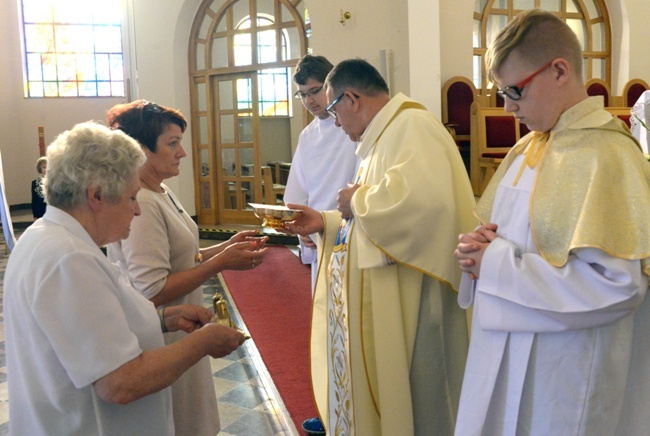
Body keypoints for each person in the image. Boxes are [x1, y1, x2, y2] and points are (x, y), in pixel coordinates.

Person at [453, 9, 650, 435]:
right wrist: (476, 251)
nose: (506, 106)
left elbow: (618, 286)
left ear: (560, 70)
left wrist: (496, 265)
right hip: (502, 349)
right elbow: (504, 238)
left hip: (562, 370)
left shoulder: (609, 155)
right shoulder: (526, 150)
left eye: (514, 90)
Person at [4, 122, 246, 435]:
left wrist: (162, 318)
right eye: (132, 198)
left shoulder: (46, 237)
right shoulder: (69, 259)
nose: (137, 211)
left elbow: (86, 333)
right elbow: (120, 383)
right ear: (97, 196)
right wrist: (203, 342)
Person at [284, 59, 476, 435]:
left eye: (335, 109)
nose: (335, 122)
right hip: (393, 294)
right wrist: (324, 221)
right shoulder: (381, 138)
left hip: (419, 302)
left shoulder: (413, 127)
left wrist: (358, 201)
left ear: (351, 99)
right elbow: (368, 217)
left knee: (423, 397)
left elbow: (423, 206)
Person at [105, 100, 268, 435]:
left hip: (184, 325)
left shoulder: (161, 191)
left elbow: (186, 256)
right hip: (162, 336)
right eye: (172, 143)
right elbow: (151, 290)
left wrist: (228, 246)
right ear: (140, 149)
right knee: (179, 421)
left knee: (195, 417)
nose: (182, 153)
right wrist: (222, 262)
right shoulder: (144, 205)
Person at [284, 54, 358, 294]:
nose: (309, 100)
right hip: (318, 234)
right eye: (302, 94)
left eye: (314, 91)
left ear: (331, 86)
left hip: (351, 231)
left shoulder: (356, 127)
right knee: (327, 315)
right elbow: (297, 193)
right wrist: (301, 231)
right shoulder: (307, 136)